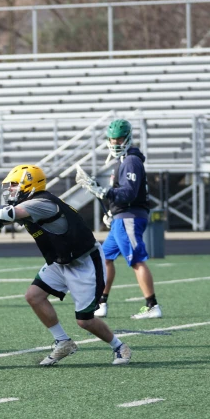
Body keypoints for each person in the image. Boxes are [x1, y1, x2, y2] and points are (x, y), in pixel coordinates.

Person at [0, 164, 132, 366]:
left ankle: (119, 346)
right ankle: (63, 342)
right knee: (34, 296)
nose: (9, 190)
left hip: (85, 261)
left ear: (29, 183)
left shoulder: (41, 203)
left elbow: (7, 214)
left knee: (85, 320)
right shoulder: (29, 204)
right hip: (61, 260)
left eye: (13, 185)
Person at [79, 118, 162, 320]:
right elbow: (122, 194)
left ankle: (152, 305)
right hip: (122, 218)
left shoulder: (131, 161)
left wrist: (106, 193)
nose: (115, 143)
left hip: (130, 218)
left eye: (119, 139)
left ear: (127, 138)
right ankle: (101, 303)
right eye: (112, 139)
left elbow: (129, 193)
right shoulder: (124, 160)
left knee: (136, 260)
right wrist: (113, 212)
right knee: (104, 258)